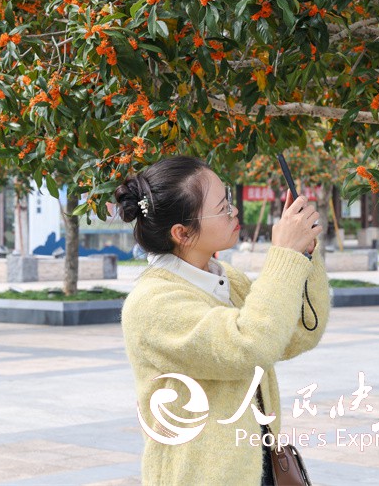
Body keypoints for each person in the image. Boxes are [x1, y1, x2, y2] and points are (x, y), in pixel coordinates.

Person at [115, 156, 329, 485]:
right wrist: (283, 254)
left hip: (259, 467)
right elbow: (249, 345)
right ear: (182, 233)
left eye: (228, 198)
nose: (234, 211)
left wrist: (303, 253)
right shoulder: (152, 304)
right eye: (222, 206)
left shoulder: (226, 278)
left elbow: (299, 333)